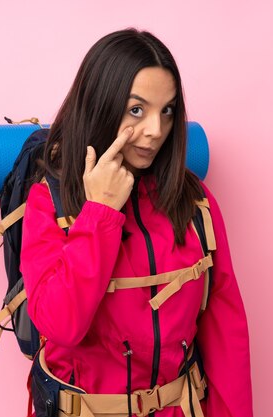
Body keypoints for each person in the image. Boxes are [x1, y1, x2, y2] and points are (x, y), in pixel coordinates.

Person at [20, 28, 252, 417]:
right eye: (136, 110)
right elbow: (61, 325)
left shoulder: (195, 202)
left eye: (167, 110)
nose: (156, 132)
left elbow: (226, 334)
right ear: (101, 105)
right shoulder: (49, 201)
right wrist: (101, 214)